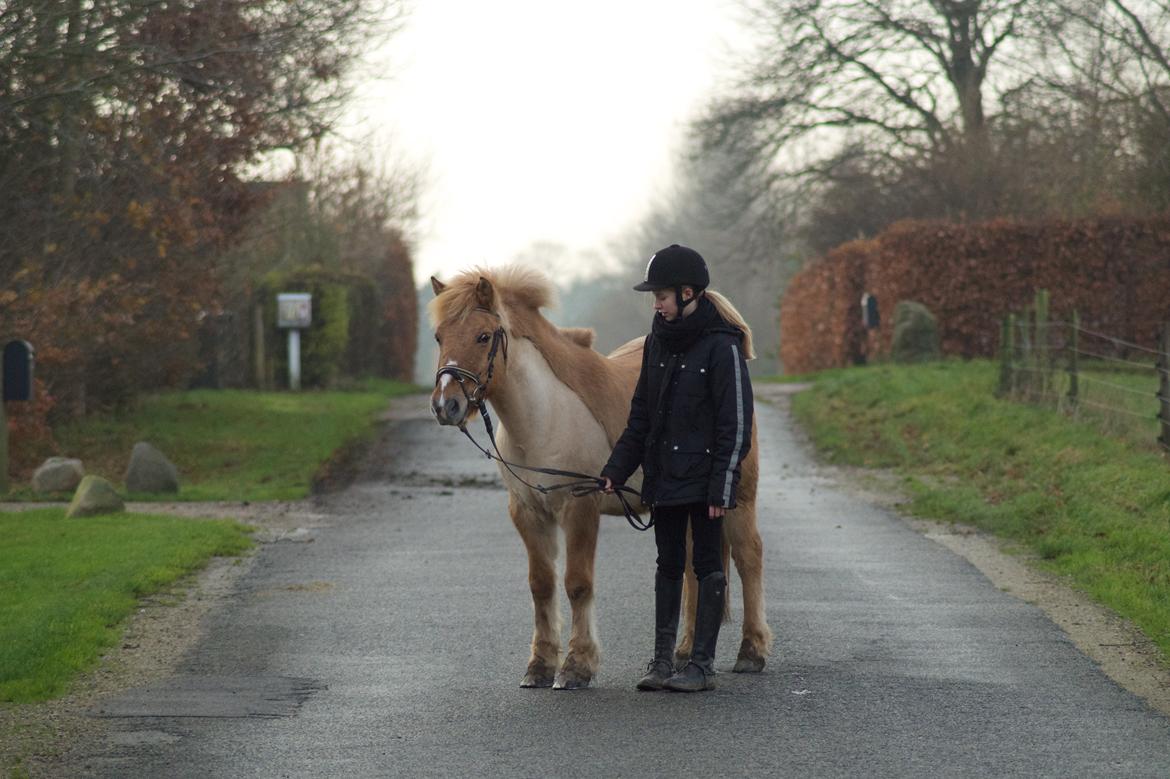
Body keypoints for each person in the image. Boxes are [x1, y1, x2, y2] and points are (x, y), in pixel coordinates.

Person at [600, 243, 754, 693]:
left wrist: (722, 489)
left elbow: (735, 425)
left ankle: (701, 665)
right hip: (664, 479)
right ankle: (662, 661)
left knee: (706, 565)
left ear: (688, 293)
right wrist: (616, 469)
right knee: (667, 565)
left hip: (705, 484)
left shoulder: (723, 348)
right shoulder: (656, 345)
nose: (656, 303)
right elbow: (641, 416)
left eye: (662, 296)